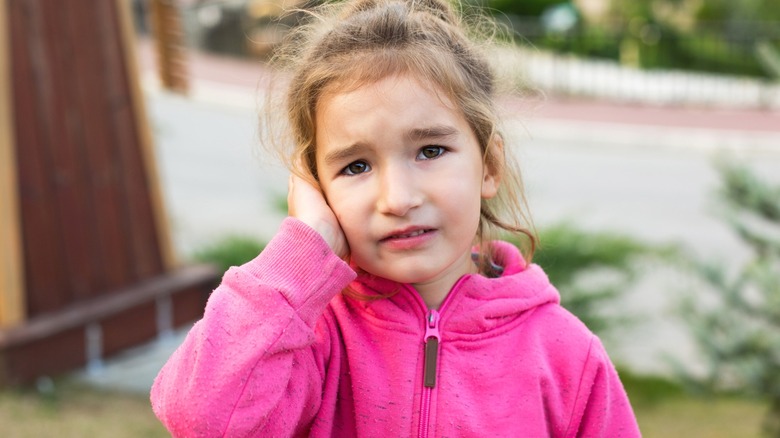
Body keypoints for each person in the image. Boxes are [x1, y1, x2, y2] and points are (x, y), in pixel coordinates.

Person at [150, 0, 642, 436]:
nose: (398, 198)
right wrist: (302, 252)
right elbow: (199, 420)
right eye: (356, 166)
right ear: (315, 188)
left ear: (488, 166)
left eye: (430, 150)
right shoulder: (307, 339)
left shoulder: (566, 358)